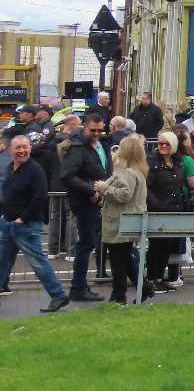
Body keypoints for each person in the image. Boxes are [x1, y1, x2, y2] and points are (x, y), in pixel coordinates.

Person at [0, 134, 69, 312]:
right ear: (10, 150)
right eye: (18, 147)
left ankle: (58, 295)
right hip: (7, 223)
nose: (22, 150)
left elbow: (40, 196)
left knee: (38, 262)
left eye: (25, 147)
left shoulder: (35, 169)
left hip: (26, 225)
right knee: (2, 259)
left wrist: (22, 218)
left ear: (30, 148)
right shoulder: (10, 168)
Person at [59, 111, 110, 302]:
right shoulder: (78, 148)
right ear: (84, 128)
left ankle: (80, 286)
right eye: (93, 130)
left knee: (88, 243)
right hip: (85, 202)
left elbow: (105, 171)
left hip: (97, 200)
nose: (96, 133)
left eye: (100, 130)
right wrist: (90, 190)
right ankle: (78, 287)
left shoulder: (100, 146)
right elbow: (67, 176)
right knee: (86, 244)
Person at [98, 133, 148, 304]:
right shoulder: (139, 172)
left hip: (119, 221)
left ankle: (119, 295)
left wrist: (104, 188)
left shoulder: (127, 173)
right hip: (130, 220)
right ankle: (143, 288)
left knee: (118, 261)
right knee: (126, 258)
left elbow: (124, 195)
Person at [145, 131, 187, 294]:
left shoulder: (178, 162)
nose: (162, 146)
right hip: (158, 211)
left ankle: (160, 278)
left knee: (167, 246)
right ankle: (151, 279)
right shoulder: (151, 162)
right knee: (156, 245)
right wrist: (157, 205)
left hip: (174, 210)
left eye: (166, 143)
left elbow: (179, 185)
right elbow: (147, 188)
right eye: (160, 143)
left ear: (173, 145)